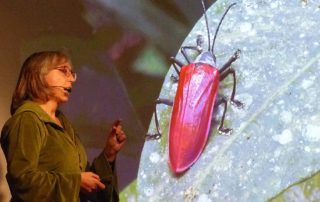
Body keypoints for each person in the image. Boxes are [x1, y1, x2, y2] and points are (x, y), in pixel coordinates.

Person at [0, 50, 126, 202]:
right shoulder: (27, 119)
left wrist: (109, 153)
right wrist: (76, 182)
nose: (71, 79)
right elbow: (23, 181)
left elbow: (86, 181)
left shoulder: (63, 122)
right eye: (63, 71)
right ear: (38, 74)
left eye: (72, 73)